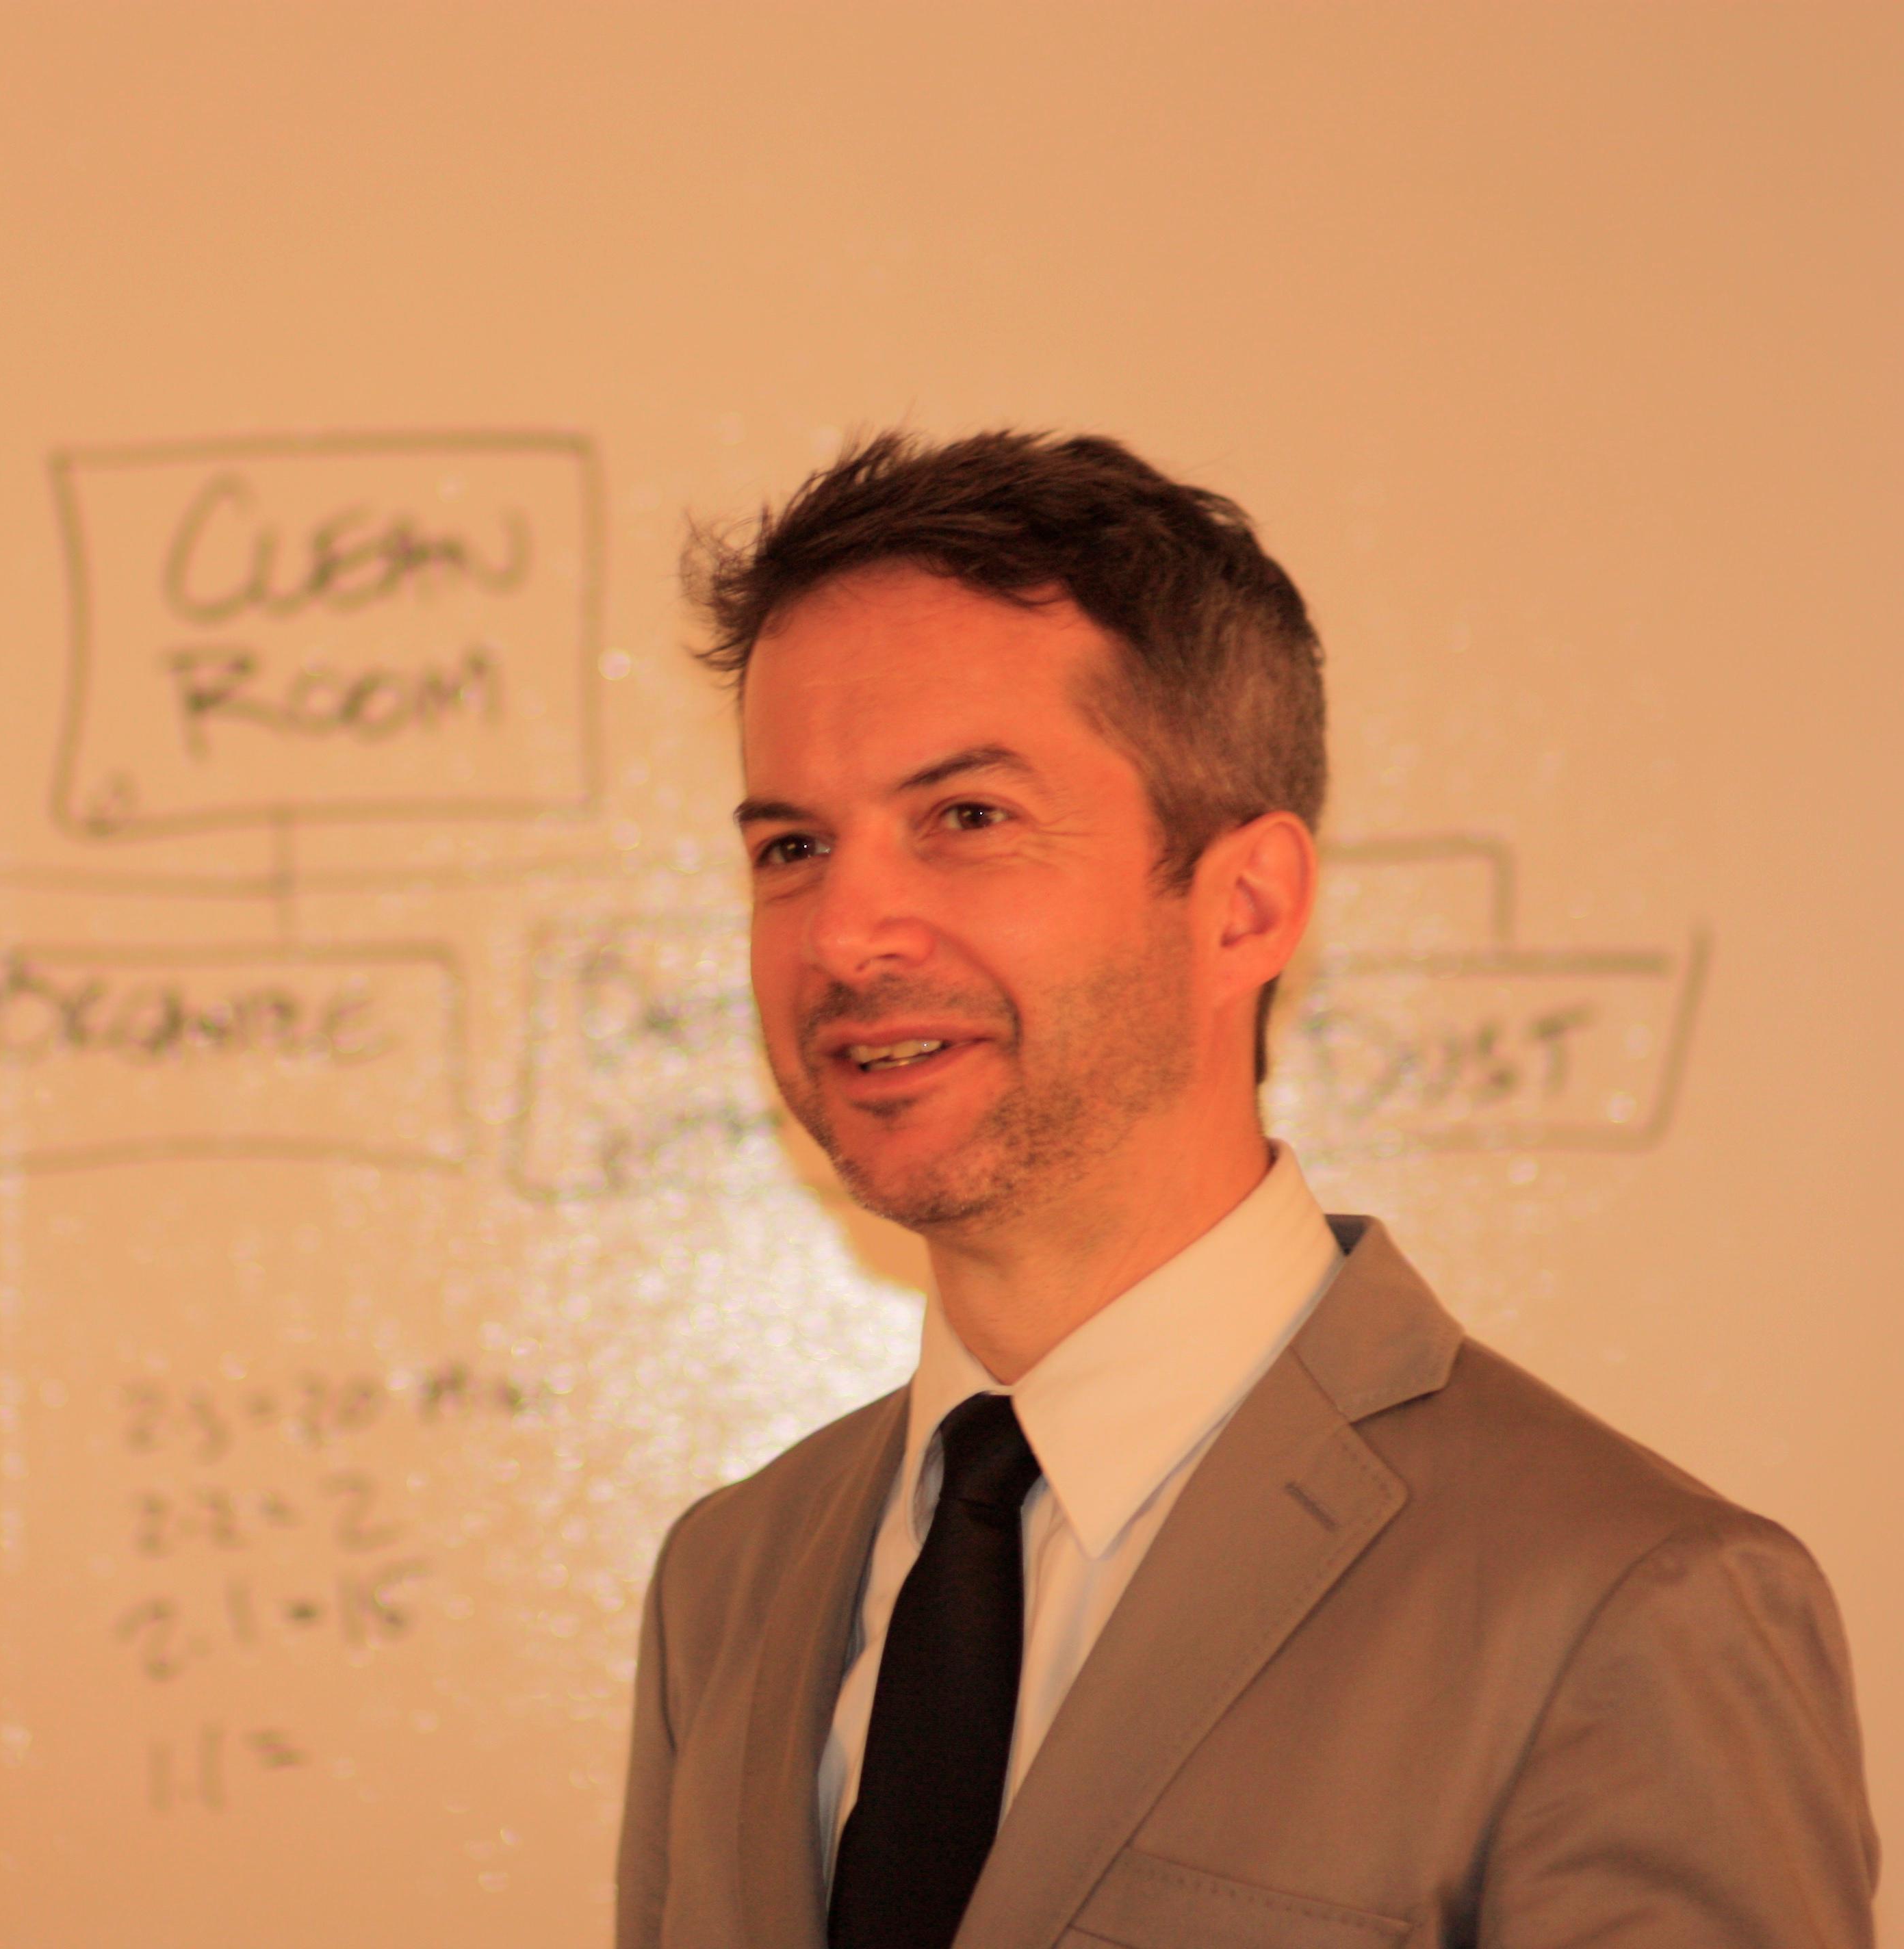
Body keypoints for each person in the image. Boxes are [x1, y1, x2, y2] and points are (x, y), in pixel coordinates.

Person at [615, 430, 1876, 1949]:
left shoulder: (1626, 1603)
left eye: (968, 817)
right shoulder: (728, 1580)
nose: (843, 931)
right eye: (793, 845)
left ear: (1246, 906)